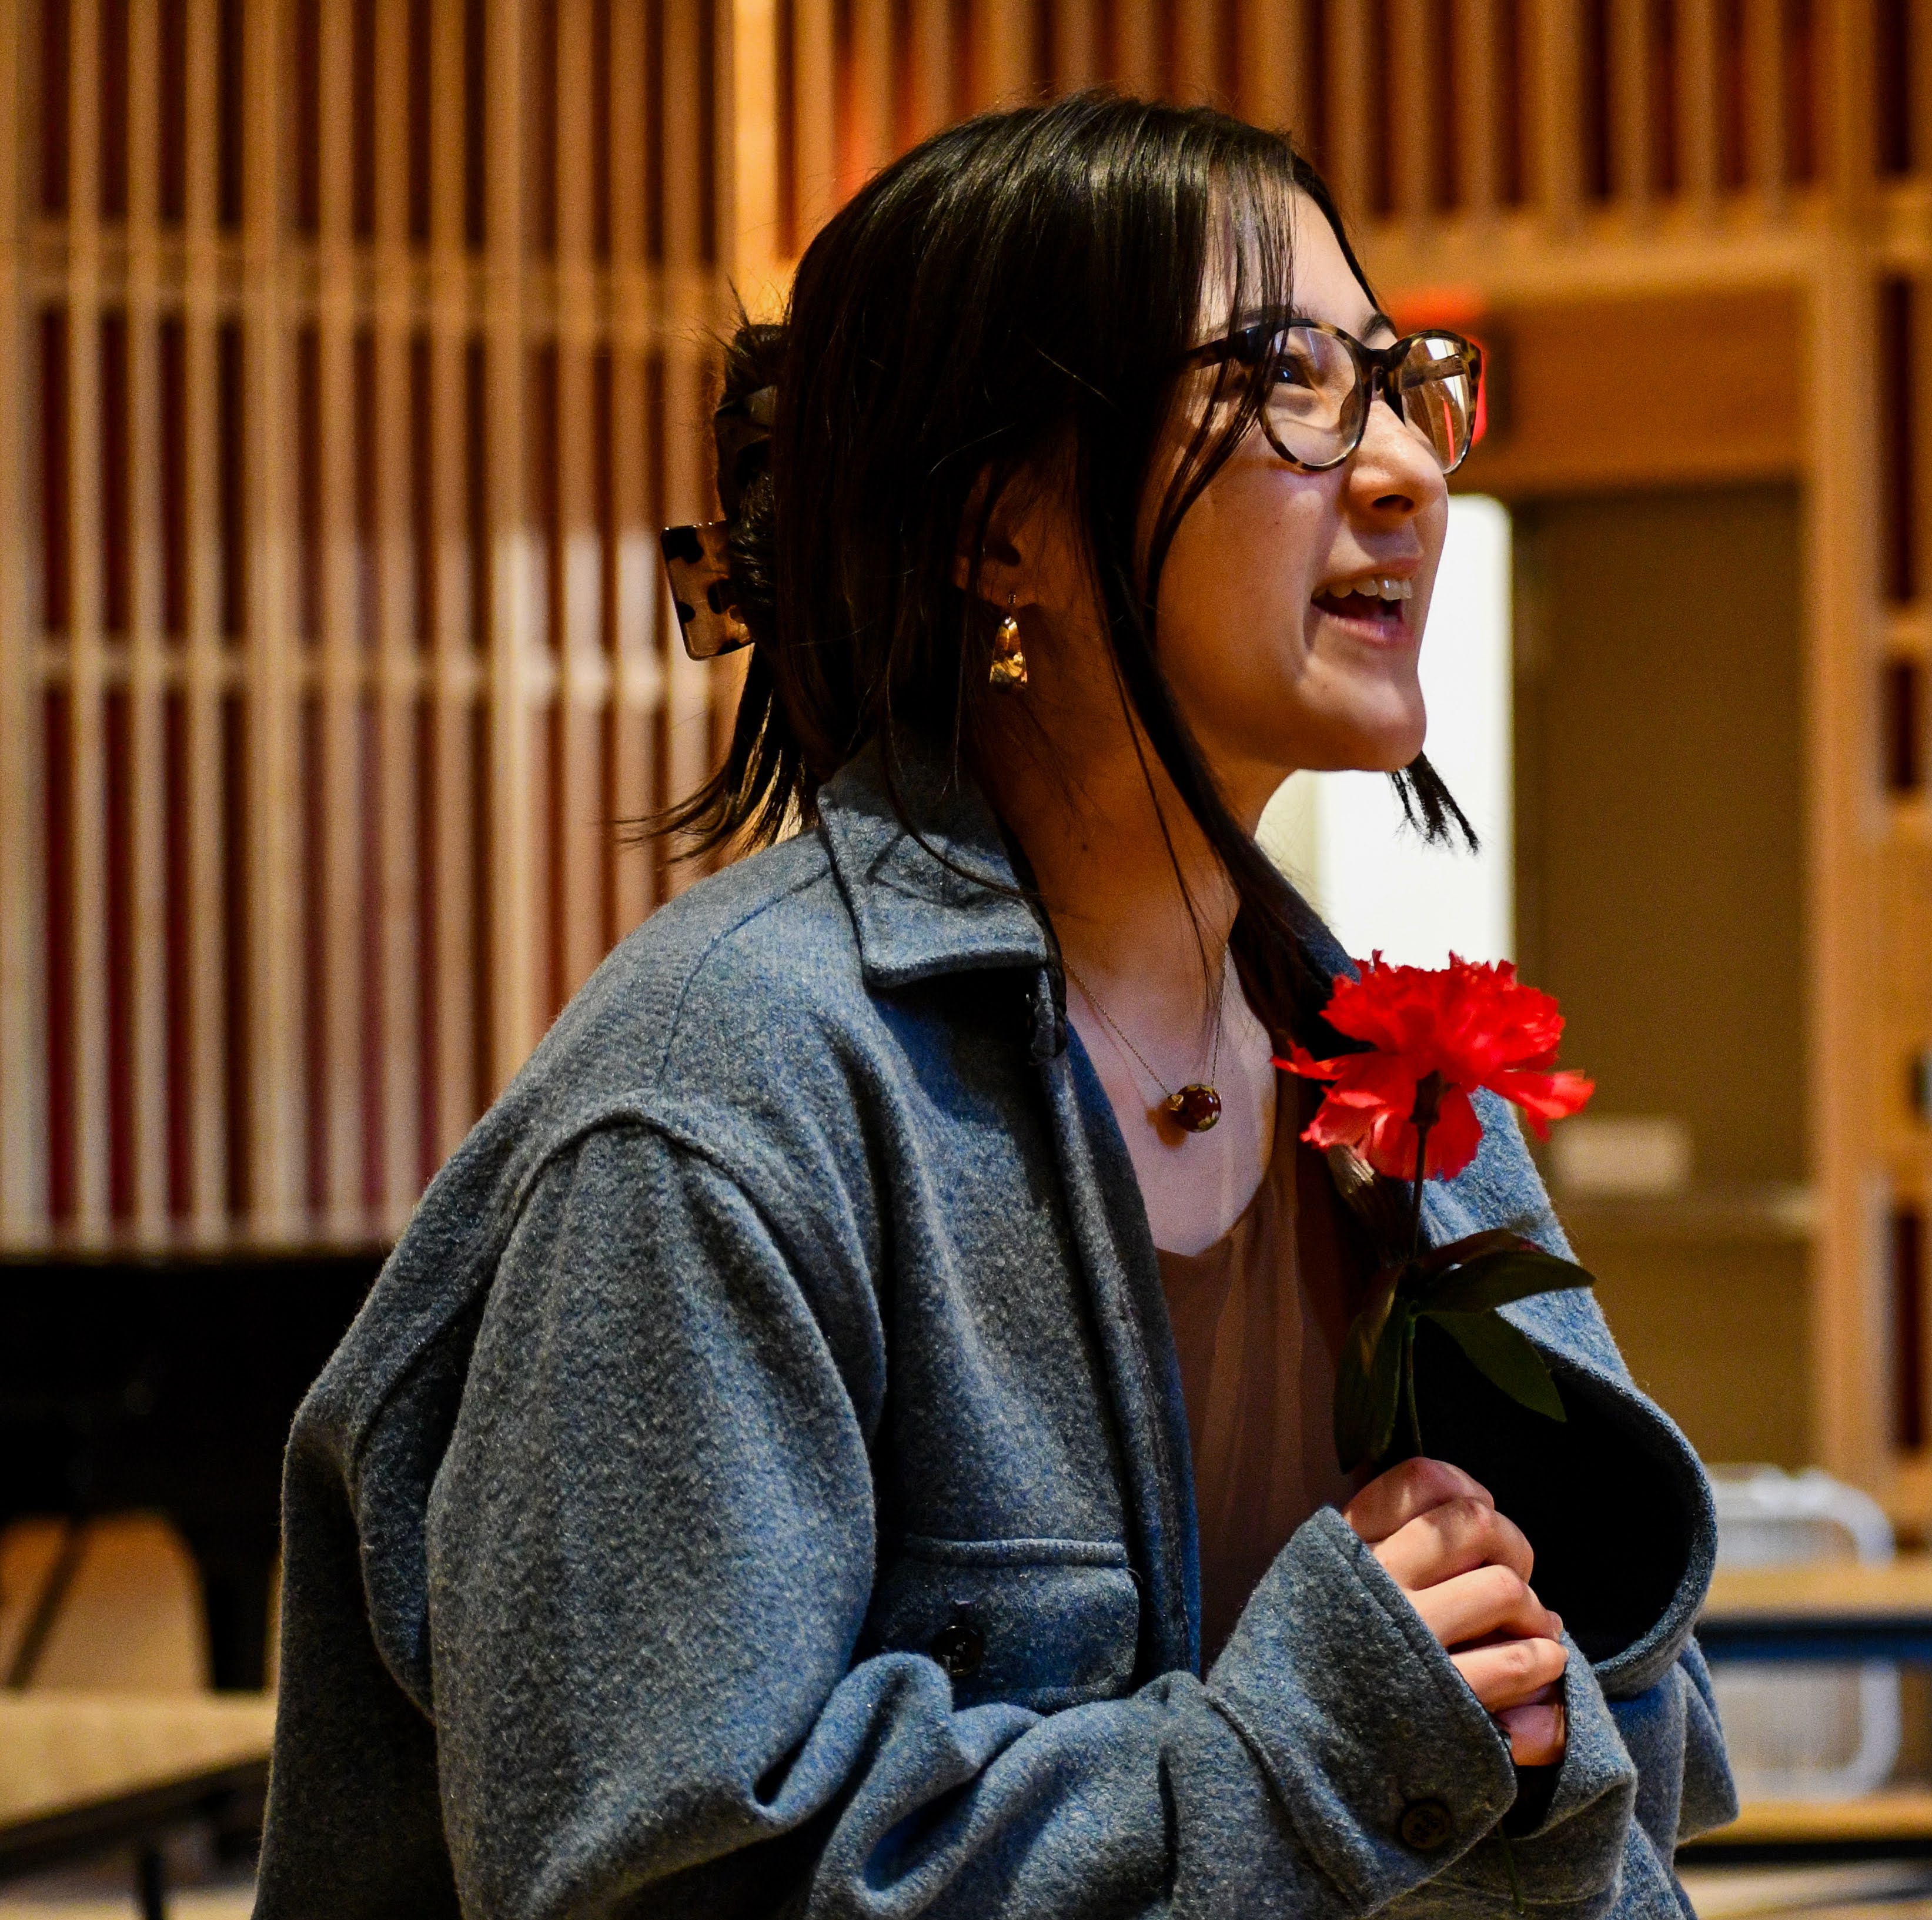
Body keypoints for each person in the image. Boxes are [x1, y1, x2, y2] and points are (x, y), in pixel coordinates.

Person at [255, 92, 1731, 1918]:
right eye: (1279, 380)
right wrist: (1317, 1745)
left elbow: (1636, 1747)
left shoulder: (1406, 1082)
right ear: (995, 526)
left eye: (1394, 380)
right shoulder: (725, 1097)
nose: (1404, 471)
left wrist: (1516, 1719)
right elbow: (649, 1882)